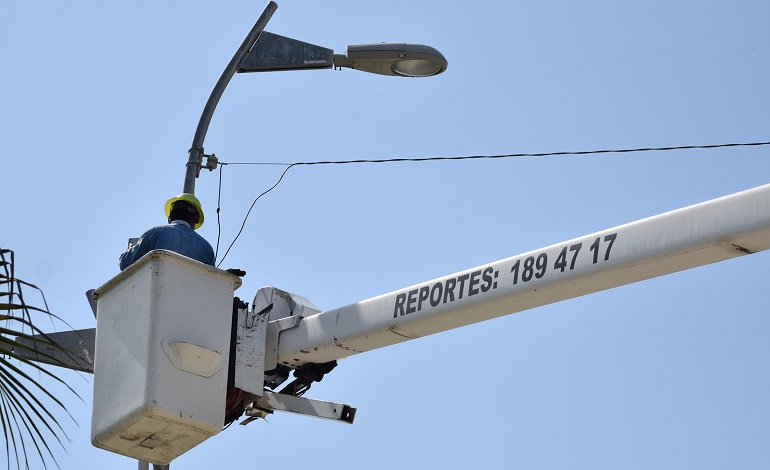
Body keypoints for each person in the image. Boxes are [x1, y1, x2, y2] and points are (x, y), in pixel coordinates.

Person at [119, 193, 216, 270]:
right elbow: (211, 281)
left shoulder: (155, 233)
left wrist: (130, 248)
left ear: (170, 217)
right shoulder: (207, 248)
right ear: (195, 220)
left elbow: (125, 263)